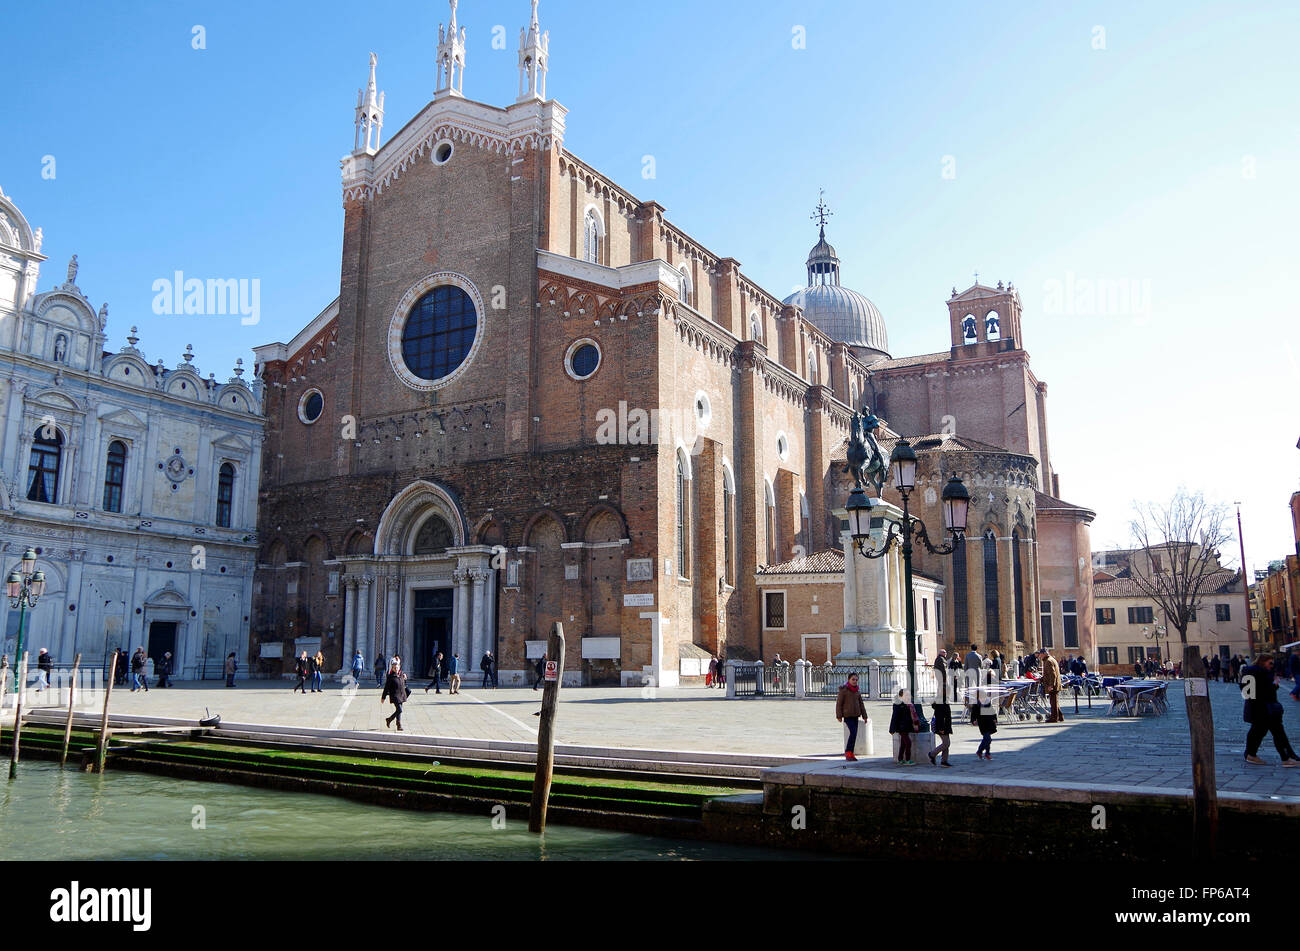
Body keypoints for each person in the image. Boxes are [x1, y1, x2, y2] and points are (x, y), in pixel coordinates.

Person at [1241, 653, 1300, 767]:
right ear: (1263, 662)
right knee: (1277, 733)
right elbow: (1266, 691)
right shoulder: (1262, 673)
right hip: (1265, 709)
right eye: (1270, 663)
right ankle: (1286, 758)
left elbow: (1246, 692)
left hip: (1257, 708)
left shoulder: (1249, 672)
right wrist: (1275, 685)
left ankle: (1251, 754)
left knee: (1258, 732)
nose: (1272, 666)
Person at [835, 671, 868, 761]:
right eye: (853, 679)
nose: (854, 681)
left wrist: (865, 716)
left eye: (856, 680)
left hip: (855, 715)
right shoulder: (844, 690)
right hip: (847, 716)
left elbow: (861, 704)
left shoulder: (857, 691)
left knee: (854, 735)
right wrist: (839, 716)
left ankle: (851, 753)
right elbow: (839, 704)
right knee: (853, 733)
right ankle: (848, 752)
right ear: (849, 680)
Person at [889, 689, 923, 766]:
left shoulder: (910, 705)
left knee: (903, 743)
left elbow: (913, 716)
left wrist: (916, 724)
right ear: (901, 696)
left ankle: (900, 759)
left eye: (909, 695)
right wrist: (892, 729)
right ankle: (907, 759)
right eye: (906, 695)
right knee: (908, 742)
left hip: (907, 726)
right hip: (901, 727)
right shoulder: (898, 705)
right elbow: (894, 717)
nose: (908, 697)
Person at [930, 670, 953, 767]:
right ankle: (932, 754)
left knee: (946, 743)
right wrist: (941, 728)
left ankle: (944, 760)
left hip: (945, 725)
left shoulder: (943, 700)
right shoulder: (940, 702)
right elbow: (940, 717)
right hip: (942, 726)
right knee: (946, 743)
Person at [381, 657, 409, 732]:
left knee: (398, 710)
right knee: (399, 710)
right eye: (394, 667)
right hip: (395, 695)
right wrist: (383, 697)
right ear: (392, 668)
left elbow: (404, 684)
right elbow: (386, 688)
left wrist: (405, 679)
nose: (396, 668)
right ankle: (389, 719)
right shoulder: (390, 677)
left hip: (402, 694)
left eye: (397, 667)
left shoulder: (401, 674)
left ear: (399, 667)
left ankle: (398, 724)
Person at [1039, 648, 1064, 722]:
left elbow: (1052, 675)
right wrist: (1042, 679)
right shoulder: (1050, 660)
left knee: (1053, 702)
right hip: (1055, 684)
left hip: (1053, 685)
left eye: (1040, 654)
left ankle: (1054, 718)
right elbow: (1048, 674)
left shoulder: (1048, 661)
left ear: (1044, 654)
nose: (1040, 656)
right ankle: (1060, 716)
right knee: (1054, 701)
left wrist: (1051, 685)